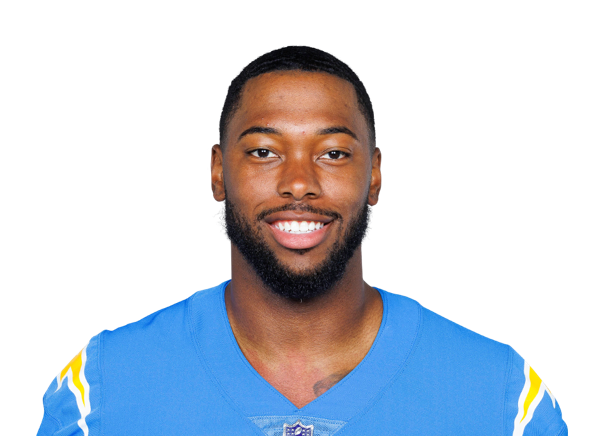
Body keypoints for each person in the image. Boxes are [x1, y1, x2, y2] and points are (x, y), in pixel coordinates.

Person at [37, 45, 568, 435]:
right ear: (218, 172)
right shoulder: (100, 389)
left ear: (375, 175)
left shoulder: (503, 397)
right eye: (263, 152)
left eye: (333, 153)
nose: (298, 183)